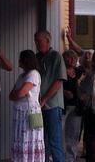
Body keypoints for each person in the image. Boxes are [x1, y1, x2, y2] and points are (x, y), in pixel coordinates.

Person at [35, 30, 67, 162]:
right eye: (35, 41)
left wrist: (44, 99)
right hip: (38, 106)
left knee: (54, 141)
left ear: (47, 41)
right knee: (42, 141)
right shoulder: (36, 57)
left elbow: (59, 81)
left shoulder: (56, 56)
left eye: (39, 41)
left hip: (52, 105)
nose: (36, 43)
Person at [9, 50, 45, 162]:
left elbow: (20, 93)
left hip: (30, 114)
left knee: (30, 139)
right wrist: (17, 94)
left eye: (20, 59)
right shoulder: (22, 76)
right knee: (21, 139)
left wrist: (17, 94)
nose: (19, 61)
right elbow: (11, 95)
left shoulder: (33, 74)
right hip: (21, 114)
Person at [62, 49, 85, 162]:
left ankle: (70, 158)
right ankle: (59, 156)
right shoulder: (60, 71)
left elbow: (84, 89)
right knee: (60, 132)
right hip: (63, 107)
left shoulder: (80, 72)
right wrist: (64, 92)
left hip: (77, 107)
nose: (72, 60)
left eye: (74, 58)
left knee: (73, 133)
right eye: (69, 57)